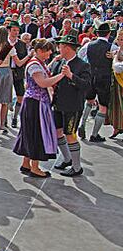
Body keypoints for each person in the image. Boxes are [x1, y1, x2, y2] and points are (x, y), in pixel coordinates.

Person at [13, 39, 65, 178]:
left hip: (34, 102)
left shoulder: (38, 62)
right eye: (47, 51)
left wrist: (54, 61)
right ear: (40, 51)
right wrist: (61, 76)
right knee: (36, 134)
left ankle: (26, 164)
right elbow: (42, 82)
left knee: (30, 133)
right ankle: (34, 167)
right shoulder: (34, 65)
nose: (49, 54)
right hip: (35, 104)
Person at [50, 35, 92, 177]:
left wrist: (71, 76)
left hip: (72, 106)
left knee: (70, 135)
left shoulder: (82, 65)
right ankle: (67, 159)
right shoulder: (59, 61)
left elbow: (86, 85)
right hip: (58, 104)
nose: (58, 48)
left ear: (67, 47)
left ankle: (77, 167)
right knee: (57, 132)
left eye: (60, 46)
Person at [78, 22, 113, 142]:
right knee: (103, 106)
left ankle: (82, 124)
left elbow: (80, 55)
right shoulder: (111, 47)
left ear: (97, 33)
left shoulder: (89, 45)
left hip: (91, 74)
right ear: (109, 33)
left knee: (89, 101)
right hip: (104, 77)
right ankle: (94, 134)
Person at [108, 29, 123, 139]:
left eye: (122, 39)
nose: (120, 41)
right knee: (115, 105)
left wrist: (114, 58)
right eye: (119, 39)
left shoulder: (117, 53)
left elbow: (118, 68)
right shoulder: (117, 50)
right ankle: (117, 127)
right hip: (116, 83)